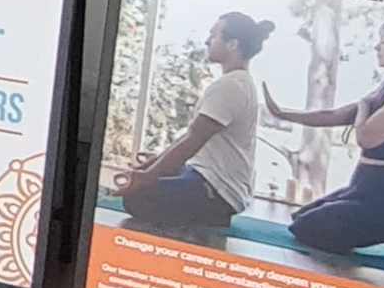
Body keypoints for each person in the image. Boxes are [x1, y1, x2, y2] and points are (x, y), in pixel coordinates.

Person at [270, 17, 384, 263]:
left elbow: (366, 138)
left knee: (307, 229)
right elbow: (335, 116)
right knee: (301, 219)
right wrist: (284, 114)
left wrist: (362, 109)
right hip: (365, 186)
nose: (377, 47)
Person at [108, 13, 269, 232]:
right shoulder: (237, 83)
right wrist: (148, 167)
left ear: (233, 44)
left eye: (214, 35)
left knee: (136, 199)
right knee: (147, 179)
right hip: (204, 175)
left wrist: (147, 177)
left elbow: (194, 139)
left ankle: (212, 214)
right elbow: (190, 137)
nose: (207, 40)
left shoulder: (232, 86)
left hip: (219, 190)